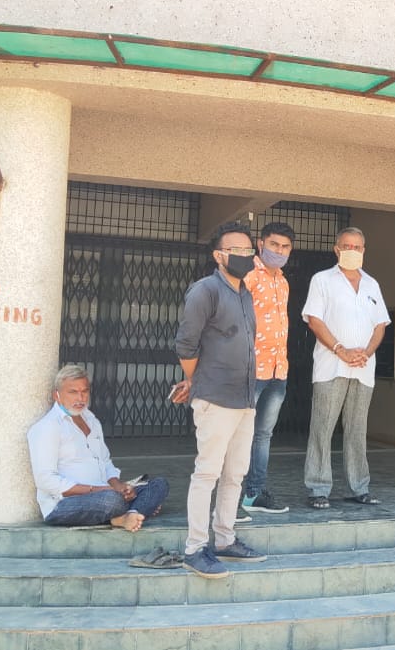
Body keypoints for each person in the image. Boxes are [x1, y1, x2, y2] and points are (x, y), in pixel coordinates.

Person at [172, 221, 267, 579]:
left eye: (248, 250)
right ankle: (195, 548)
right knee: (208, 472)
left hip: (244, 398)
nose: (244, 256)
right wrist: (194, 380)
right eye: (235, 250)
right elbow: (186, 344)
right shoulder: (205, 290)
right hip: (215, 396)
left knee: (235, 474)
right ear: (218, 255)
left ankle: (225, 539)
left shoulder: (245, 293)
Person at [301, 227, 391, 509]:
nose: (352, 251)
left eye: (357, 247)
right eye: (346, 246)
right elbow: (314, 320)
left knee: (357, 429)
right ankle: (318, 488)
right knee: (322, 427)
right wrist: (341, 350)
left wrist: (366, 353)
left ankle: (359, 487)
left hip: (363, 368)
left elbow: (380, 325)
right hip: (331, 366)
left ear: (364, 250)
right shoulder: (322, 280)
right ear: (336, 249)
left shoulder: (372, 284)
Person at [27, 365, 169, 531]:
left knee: (158, 485)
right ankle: (132, 511)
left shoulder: (91, 420)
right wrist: (100, 490)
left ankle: (130, 515)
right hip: (64, 504)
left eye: (84, 391)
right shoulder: (48, 427)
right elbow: (45, 480)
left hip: (104, 492)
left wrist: (119, 486)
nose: (80, 398)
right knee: (112, 500)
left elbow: (105, 462)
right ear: (56, 395)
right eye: (73, 392)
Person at [239, 221, 295, 514]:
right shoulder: (248, 275)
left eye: (285, 247)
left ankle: (254, 493)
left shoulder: (283, 282)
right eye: (274, 245)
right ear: (260, 244)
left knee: (263, 435)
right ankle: (229, 497)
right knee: (238, 434)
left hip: (277, 370)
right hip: (250, 369)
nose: (279, 251)